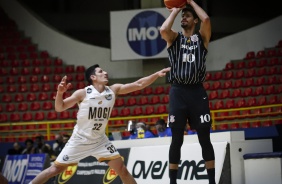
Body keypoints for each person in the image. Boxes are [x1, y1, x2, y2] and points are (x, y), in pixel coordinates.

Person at [29, 64, 170, 184]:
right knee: (55, 170)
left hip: (99, 141)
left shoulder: (113, 90)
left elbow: (139, 84)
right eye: (101, 72)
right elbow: (59, 108)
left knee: (122, 170)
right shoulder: (83, 93)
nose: (105, 73)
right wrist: (60, 93)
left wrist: (156, 74)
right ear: (93, 77)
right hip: (79, 140)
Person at [160, 1, 215, 184]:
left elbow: (206, 18)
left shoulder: (202, 38)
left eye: (187, 15)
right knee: (176, 140)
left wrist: (190, 1)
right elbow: (163, 30)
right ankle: (173, 182)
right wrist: (175, 11)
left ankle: (212, 181)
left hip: (197, 93)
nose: (184, 17)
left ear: (195, 21)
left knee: (204, 139)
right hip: (178, 92)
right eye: (183, 15)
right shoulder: (174, 38)